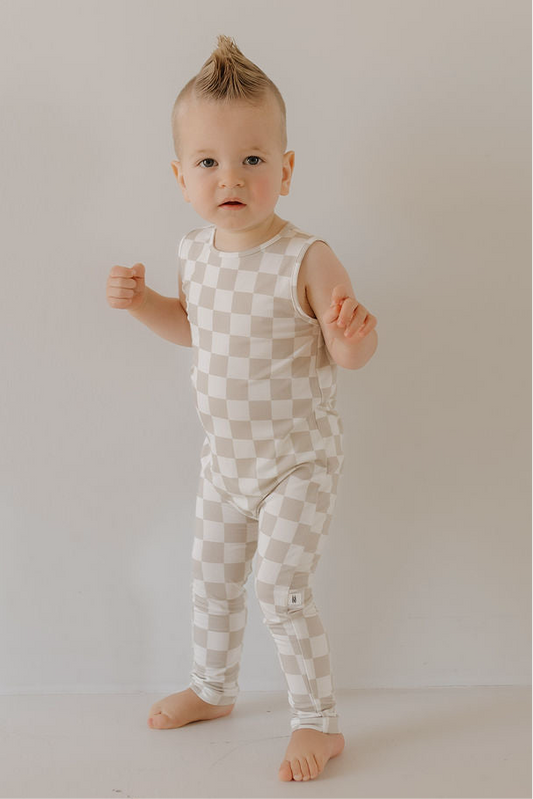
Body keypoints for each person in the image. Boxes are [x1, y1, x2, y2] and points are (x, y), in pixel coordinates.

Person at [106, 34, 378, 782]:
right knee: (213, 578)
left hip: (297, 460)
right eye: (208, 162)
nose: (231, 176)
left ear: (284, 171)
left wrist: (352, 337)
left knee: (280, 588)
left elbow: (347, 355)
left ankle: (317, 722)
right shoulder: (194, 253)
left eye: (252, 159)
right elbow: (194, 330)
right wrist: (144, 306)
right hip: (226, 463)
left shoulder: (306, 257)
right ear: (180, 175)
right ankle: (214, 688)